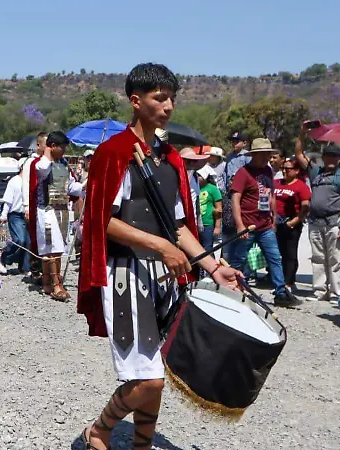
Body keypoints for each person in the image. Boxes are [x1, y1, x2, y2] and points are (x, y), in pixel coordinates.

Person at [77, 63, 242, 450]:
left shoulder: (171, 160)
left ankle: (141, 445)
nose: (168, 106)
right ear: (136, 101)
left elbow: (180, 227)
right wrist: (161, 246)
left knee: (154, 370)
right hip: (124, 273)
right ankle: (98, 431)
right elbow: (101, 222)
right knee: (148, 377)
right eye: (159, 98)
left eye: (172, 98)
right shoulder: (113, 153)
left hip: (164, 279)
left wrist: (214, 267)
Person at [228, 138, 299, 306]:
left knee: (274, 257)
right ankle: (232, 287)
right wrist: (239, 225)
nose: (266, 157)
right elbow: (235, 198)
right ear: (255, 155)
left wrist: (274, 216)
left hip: (265, 224)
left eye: (268, 154)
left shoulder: (268, 171)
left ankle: (280, 292)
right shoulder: (243, 173)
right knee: (239, 259)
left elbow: (271, 194)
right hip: (248, 225)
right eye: (263, 154)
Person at [294, 130, 340, 302]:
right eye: (328, 155)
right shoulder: (316, 172)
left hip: (335, 222)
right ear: (324, 156)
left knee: (336, 259)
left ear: (339, 158)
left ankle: (336, 293)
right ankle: (320, 291)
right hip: (315, 222)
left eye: (335, 156)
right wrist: (302, 135)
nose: (332, 159)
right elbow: (299, 154)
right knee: (318, 258)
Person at [34, 131, 85, 301]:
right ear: (53, 146)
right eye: (61, 147)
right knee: (52, 248)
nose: (63, 151)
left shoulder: (63, 163)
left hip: (62, 209)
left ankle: (48, 282)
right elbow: (42, 170)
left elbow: (71, 187)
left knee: (57, 247)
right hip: (47, 210)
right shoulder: (42, 163)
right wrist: (48, 151)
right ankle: (55, 284)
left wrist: (86, 184)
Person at [273, 158, 311, 292]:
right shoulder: (276, 182)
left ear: (296, 171)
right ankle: (278, 279)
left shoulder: (301, 186)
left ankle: (288, 282)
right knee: (277, 253)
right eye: (283, 168)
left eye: (288, 169)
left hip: (291, 222)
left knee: (290, 254)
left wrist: (294, 222)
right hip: (275, 222)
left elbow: (305, 207)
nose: (284, 171)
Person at [219, 131, 251, 261]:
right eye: (232, 141)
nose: (234, 143)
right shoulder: (229, 157)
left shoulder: (247, 156)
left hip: (243, 193)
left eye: (236, 141)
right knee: (229, 225)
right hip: (230, 192)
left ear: (244, 143)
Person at [0, 158, 30, 275]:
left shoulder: (29, 182)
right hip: (15, 215)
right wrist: (3, 215)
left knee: (28, 242)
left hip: (27, 215)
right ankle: (4, 257)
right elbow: (8, 200)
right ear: (22, 167)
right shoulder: (14, 181)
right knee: (19, 240)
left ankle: (24, 267)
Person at [24, 132, 48, 284]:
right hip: (33, 205)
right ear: (39, 145)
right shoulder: (30, 163)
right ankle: (35, 270)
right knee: (35, 238)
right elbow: (26, 185)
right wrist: (27, 206)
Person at [196, 165, 222, 253]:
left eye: (199, 175)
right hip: (196, 223)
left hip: (208, 224)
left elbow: (219, 209)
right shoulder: (194, 188)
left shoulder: (213, 189)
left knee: (207, 249)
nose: (197, 177)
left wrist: (217, 227)